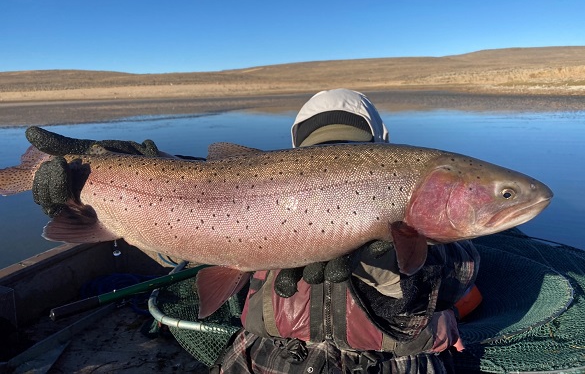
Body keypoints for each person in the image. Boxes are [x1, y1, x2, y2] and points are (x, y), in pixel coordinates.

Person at [27, 89, 480, 374]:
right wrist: (127, 182)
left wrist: (400, 276)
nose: (335, 163)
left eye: (348, 151)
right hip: (268, 357)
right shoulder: (251, 188)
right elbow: (178, 249)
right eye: (324, 154)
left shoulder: (440, 232)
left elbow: (462, 268)